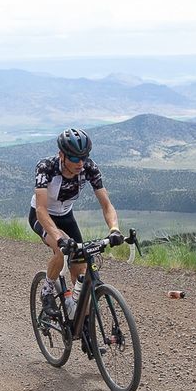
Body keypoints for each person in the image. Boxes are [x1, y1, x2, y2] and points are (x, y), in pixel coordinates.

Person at [29, 127, 122, 315]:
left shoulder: (89, 167)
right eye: (74, 158)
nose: (80, 163)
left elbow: (106, 204)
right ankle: (47, 291)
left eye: (84, 157)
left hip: (66, 215)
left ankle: (83, 326)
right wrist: (58, 237)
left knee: (81, 270)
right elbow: (41, 210)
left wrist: (114, 229)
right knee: (61, 248)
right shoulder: (46, 168)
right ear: (61, 155)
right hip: (43, 216)